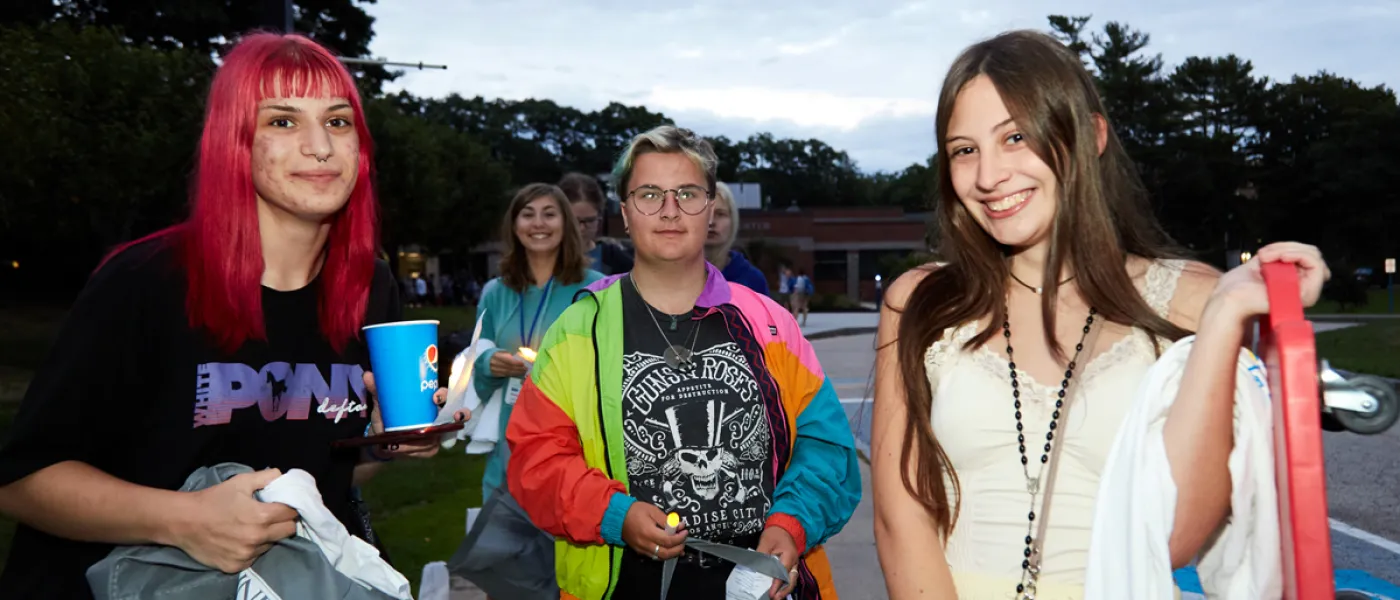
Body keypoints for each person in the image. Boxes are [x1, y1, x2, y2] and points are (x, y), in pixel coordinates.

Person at [870, 30, 1328, 599]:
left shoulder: (1190, 301)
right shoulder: (920, 303)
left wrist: (1227, 317)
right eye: (965, 150)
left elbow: (1177, 534)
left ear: (1090, 135)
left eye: (1016, 137)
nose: (988, 177)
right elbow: (900, 520)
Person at [0, 33, 455, 599]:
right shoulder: (148, 280)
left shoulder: (367, 289)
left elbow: (317, 477)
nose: (320, 146)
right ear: (235, 142)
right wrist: (184, 520)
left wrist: (382, 445)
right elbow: (20, 483)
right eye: (283, 122)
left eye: (338, 122)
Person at [506, 126, 861, 600]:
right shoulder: (576, 334)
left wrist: (792, 522)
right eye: (650, 194)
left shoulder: (770, 323)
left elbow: (828, 447)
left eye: (688, 193)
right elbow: (536, 459)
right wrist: (614, 513)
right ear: (626, 215)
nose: (670, 210)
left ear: (710, 209)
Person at [468, 182, 603, 502]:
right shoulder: (495, 294)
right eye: (528, 214)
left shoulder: (596, 290)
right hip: (507, 450)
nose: (538, 223)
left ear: (565, 223)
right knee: (505, 548)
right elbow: (473, 377)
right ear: (514, 226)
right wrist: (489, 364)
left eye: (549, 214)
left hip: (574, 447)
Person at [559, 171, 635, 275]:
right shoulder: (542, 256)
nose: (581, 228)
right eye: (574, 221)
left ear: (599, 218)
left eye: (589, 221)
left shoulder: (616, 260)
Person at [705, 181, 770, 295]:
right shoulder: (671, 276)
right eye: (705, 213)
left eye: (720, 214)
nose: (711, 222)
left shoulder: (752, 280)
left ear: (733, 221)